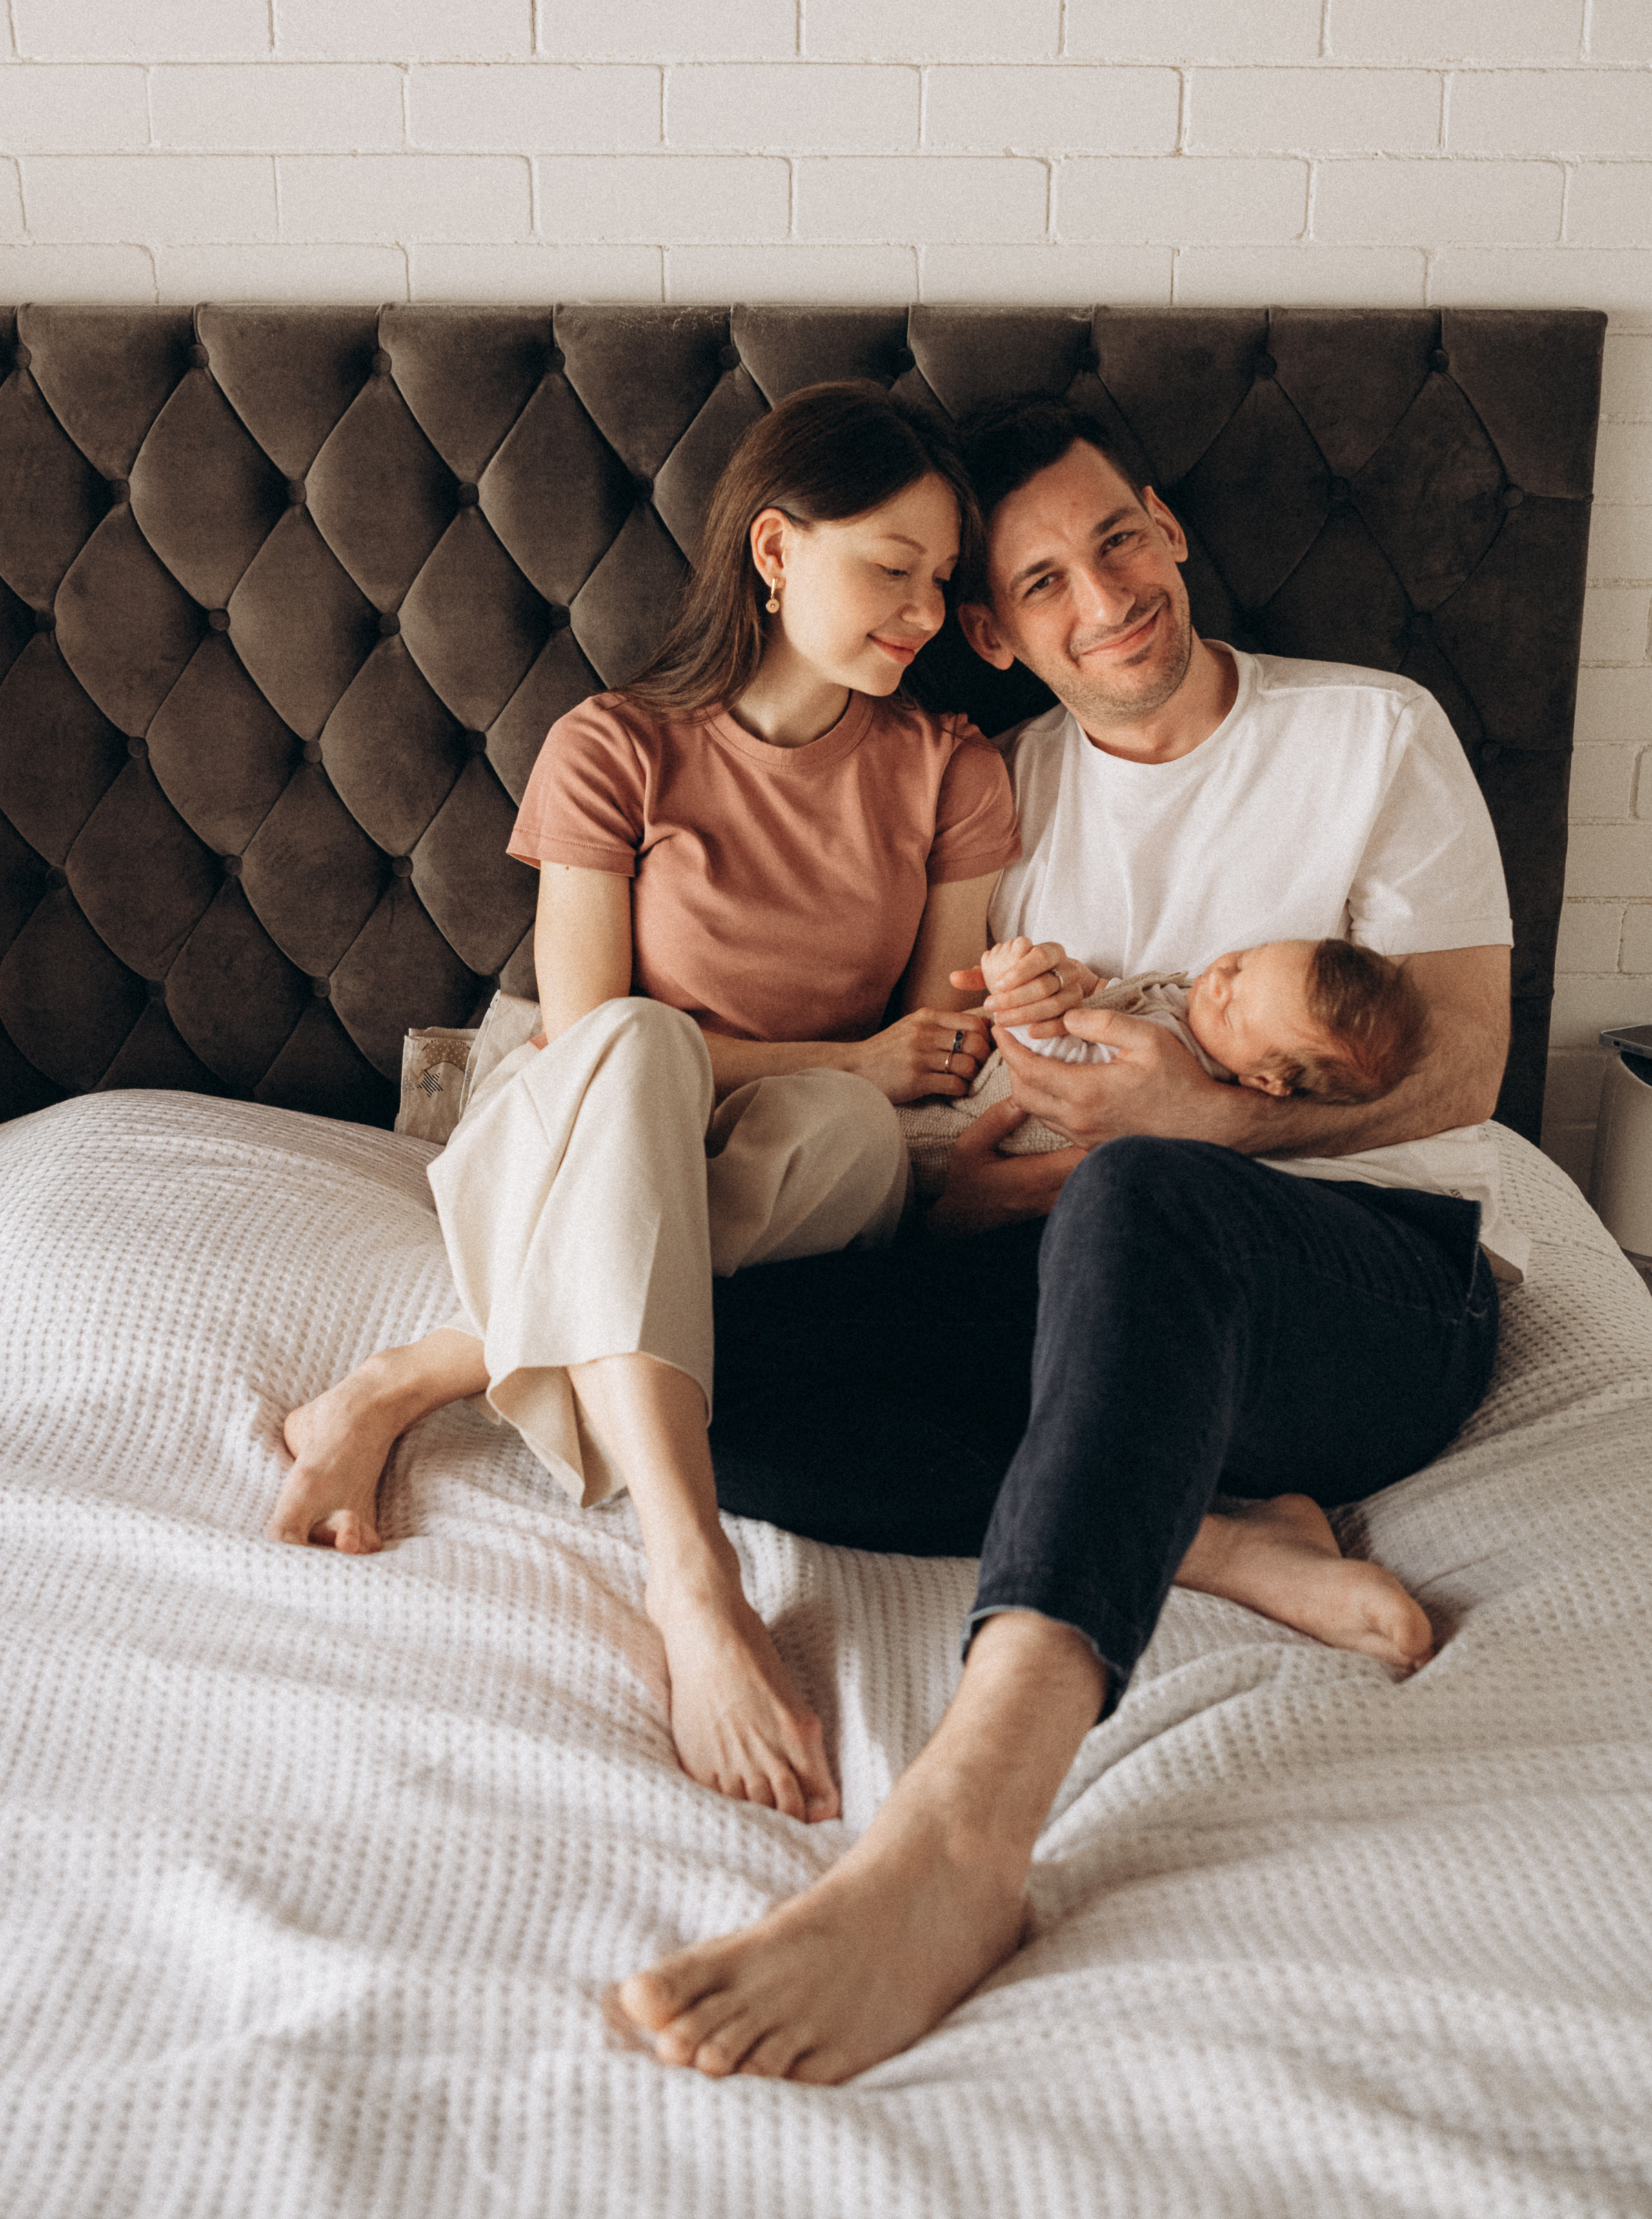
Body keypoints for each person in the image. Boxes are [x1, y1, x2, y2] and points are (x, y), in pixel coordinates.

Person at [610, 392, 1513, 2086]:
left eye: (1119, 539)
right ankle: (1214, 1534)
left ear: (1169, 529)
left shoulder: (1372, 733)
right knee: (708, 1380)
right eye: (1041, 583)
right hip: (1075, 1284)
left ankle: (963, 1837)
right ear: (994, 636)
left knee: (1140, 1191)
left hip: (1367, 1284)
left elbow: (1465, 1066)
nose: (1104, 598)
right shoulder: (988, 792)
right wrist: (952, 1192)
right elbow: (935, 1079)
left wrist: (1197, 1120)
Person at [268, 381, 1021, 1828]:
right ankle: (694, 1581)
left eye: (941, 580)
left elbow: (917, 1054)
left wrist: (914, 1058)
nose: (924, 612)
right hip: (588, 1114)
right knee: (644, 1052)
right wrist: (850, 1059)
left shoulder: (949, 770)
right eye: (890, 568)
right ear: (775, 549)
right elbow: (587, 1031)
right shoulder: (614, 746)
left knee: (859, 1133)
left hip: (799, 1152)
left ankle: (409, 1378)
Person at [900, 931, 1433, 1195]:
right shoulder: (1191, 1009)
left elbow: (1053, 1059)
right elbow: (1119, 993)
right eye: (1241, 963)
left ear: (1264, 1081)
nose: (1218, 981)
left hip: (962, 1136)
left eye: (1235, 1007)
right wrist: (1079, 983)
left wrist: (1015, 994)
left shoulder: (1168, 1060)